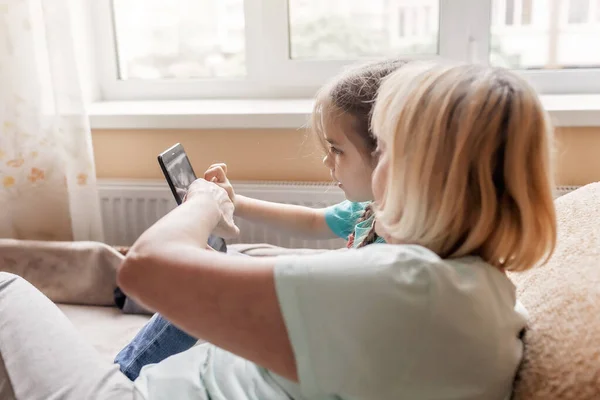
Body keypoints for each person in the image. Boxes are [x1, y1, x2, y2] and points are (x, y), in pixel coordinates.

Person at [0, 62, 556, 400]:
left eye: (382, 147)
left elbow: (146, 268)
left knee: (9, 291)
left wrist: (203, 201)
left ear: (421, 170)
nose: (375, 165)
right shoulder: (485, 293)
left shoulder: (412, 286)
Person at [114, 59, 405, 380]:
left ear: (385, 154)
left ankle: (121, 375)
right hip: (321, 317)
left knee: (206, 287)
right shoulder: (371, 208)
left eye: (336, 149)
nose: (326, 159)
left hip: (319, 337)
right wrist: (235, 202)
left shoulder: (393, 247)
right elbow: (311, 221)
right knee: (224, 258)